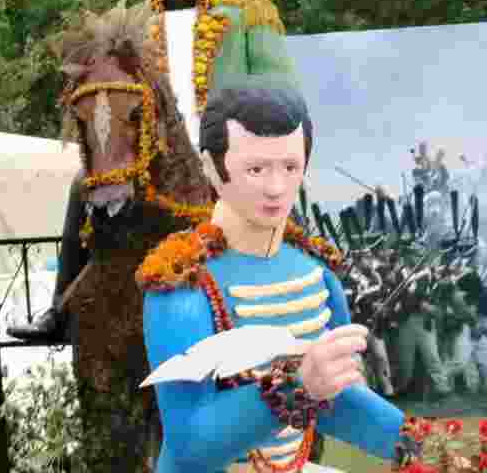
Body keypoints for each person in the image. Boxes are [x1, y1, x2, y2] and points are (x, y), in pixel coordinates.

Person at [10, 0, 295, 341]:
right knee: (83, 185)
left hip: (229, 149)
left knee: (277, 198)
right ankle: (60, 309)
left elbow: (279, 90)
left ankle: (300, 288)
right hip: (155, 154)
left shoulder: (244, 18)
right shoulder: (135, 32)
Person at [136, 74, 403, 472]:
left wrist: (420, 444)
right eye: (256, 169)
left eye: (290, 166)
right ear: (211, 167)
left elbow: (336, 399)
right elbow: (190, 444)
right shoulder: (181, 284)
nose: (276, 188)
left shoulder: (318, 275)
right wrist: (298, 387)